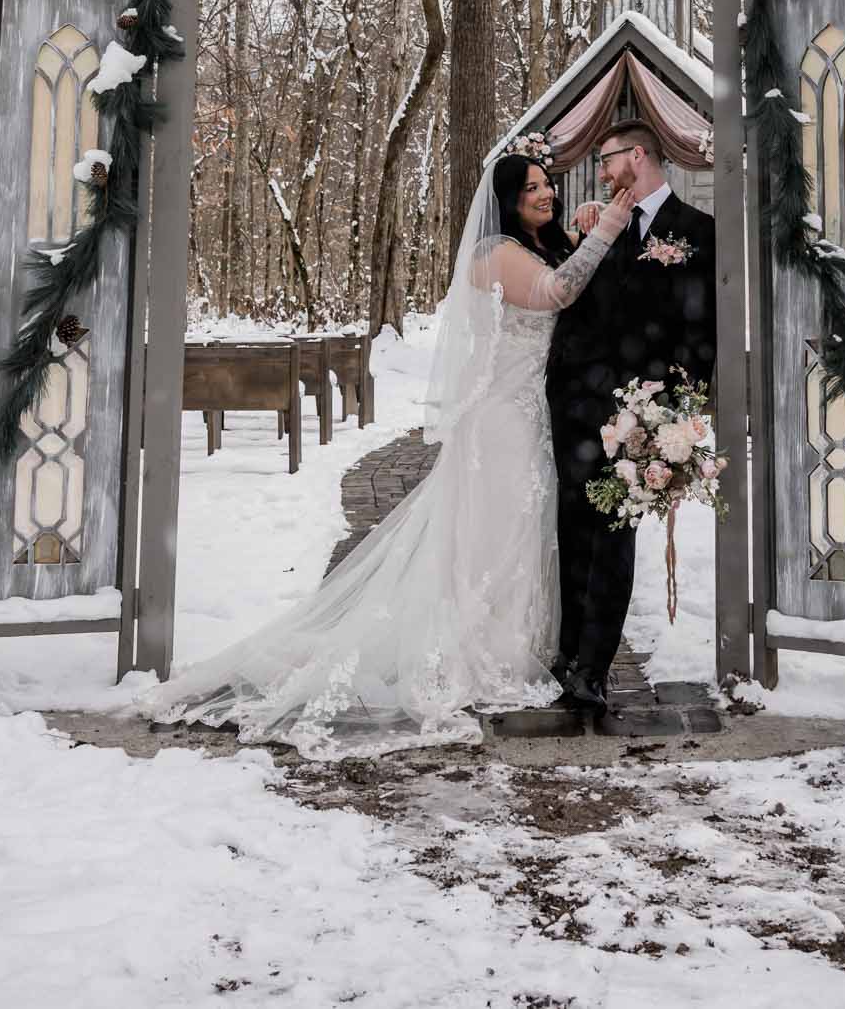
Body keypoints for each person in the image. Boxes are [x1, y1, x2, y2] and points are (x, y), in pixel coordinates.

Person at [143, 151, 636, 759]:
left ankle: (520, 642)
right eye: (532, 187)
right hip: (500, 419)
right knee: (496, 532)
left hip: (531, 412)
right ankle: (484, 647)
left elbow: (569, 280)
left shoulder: (535, 246)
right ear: (506, 199)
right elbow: (556, 292)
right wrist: (607, 229)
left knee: (522, 531)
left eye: (548, 186)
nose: (545, 195)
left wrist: (587, 227)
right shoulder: (494, 253)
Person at [548, 119, 716, 721]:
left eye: (607, 160)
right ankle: (567, 654)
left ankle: (592, 671)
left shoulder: (698, 231)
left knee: (613, 537)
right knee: (573, 529)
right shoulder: (602, 224)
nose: (600, 172)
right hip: (577, 407)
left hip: (641, 416)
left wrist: (675, 414)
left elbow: (701, 331)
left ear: (637, 155)